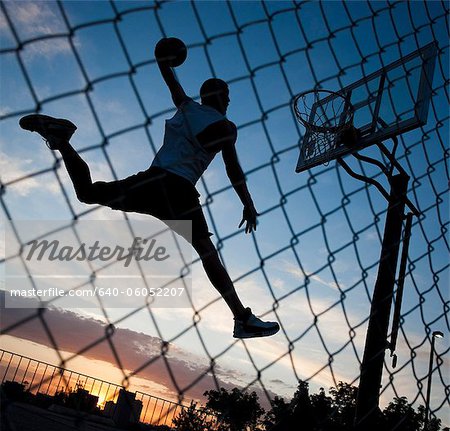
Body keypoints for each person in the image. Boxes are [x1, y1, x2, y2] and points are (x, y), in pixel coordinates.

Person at [19, 46, 280, 339]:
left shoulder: (186, 106)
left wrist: (163, 57)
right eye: (227, 95)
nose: (229, 100)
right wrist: (248, 204)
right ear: (219, 97)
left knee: (88, 192)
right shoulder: (226, 125)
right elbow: (233, 169)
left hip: (151, 182)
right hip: (179, 189)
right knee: (207, 253)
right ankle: (241, 317)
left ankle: (62, 140)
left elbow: (170, 78)